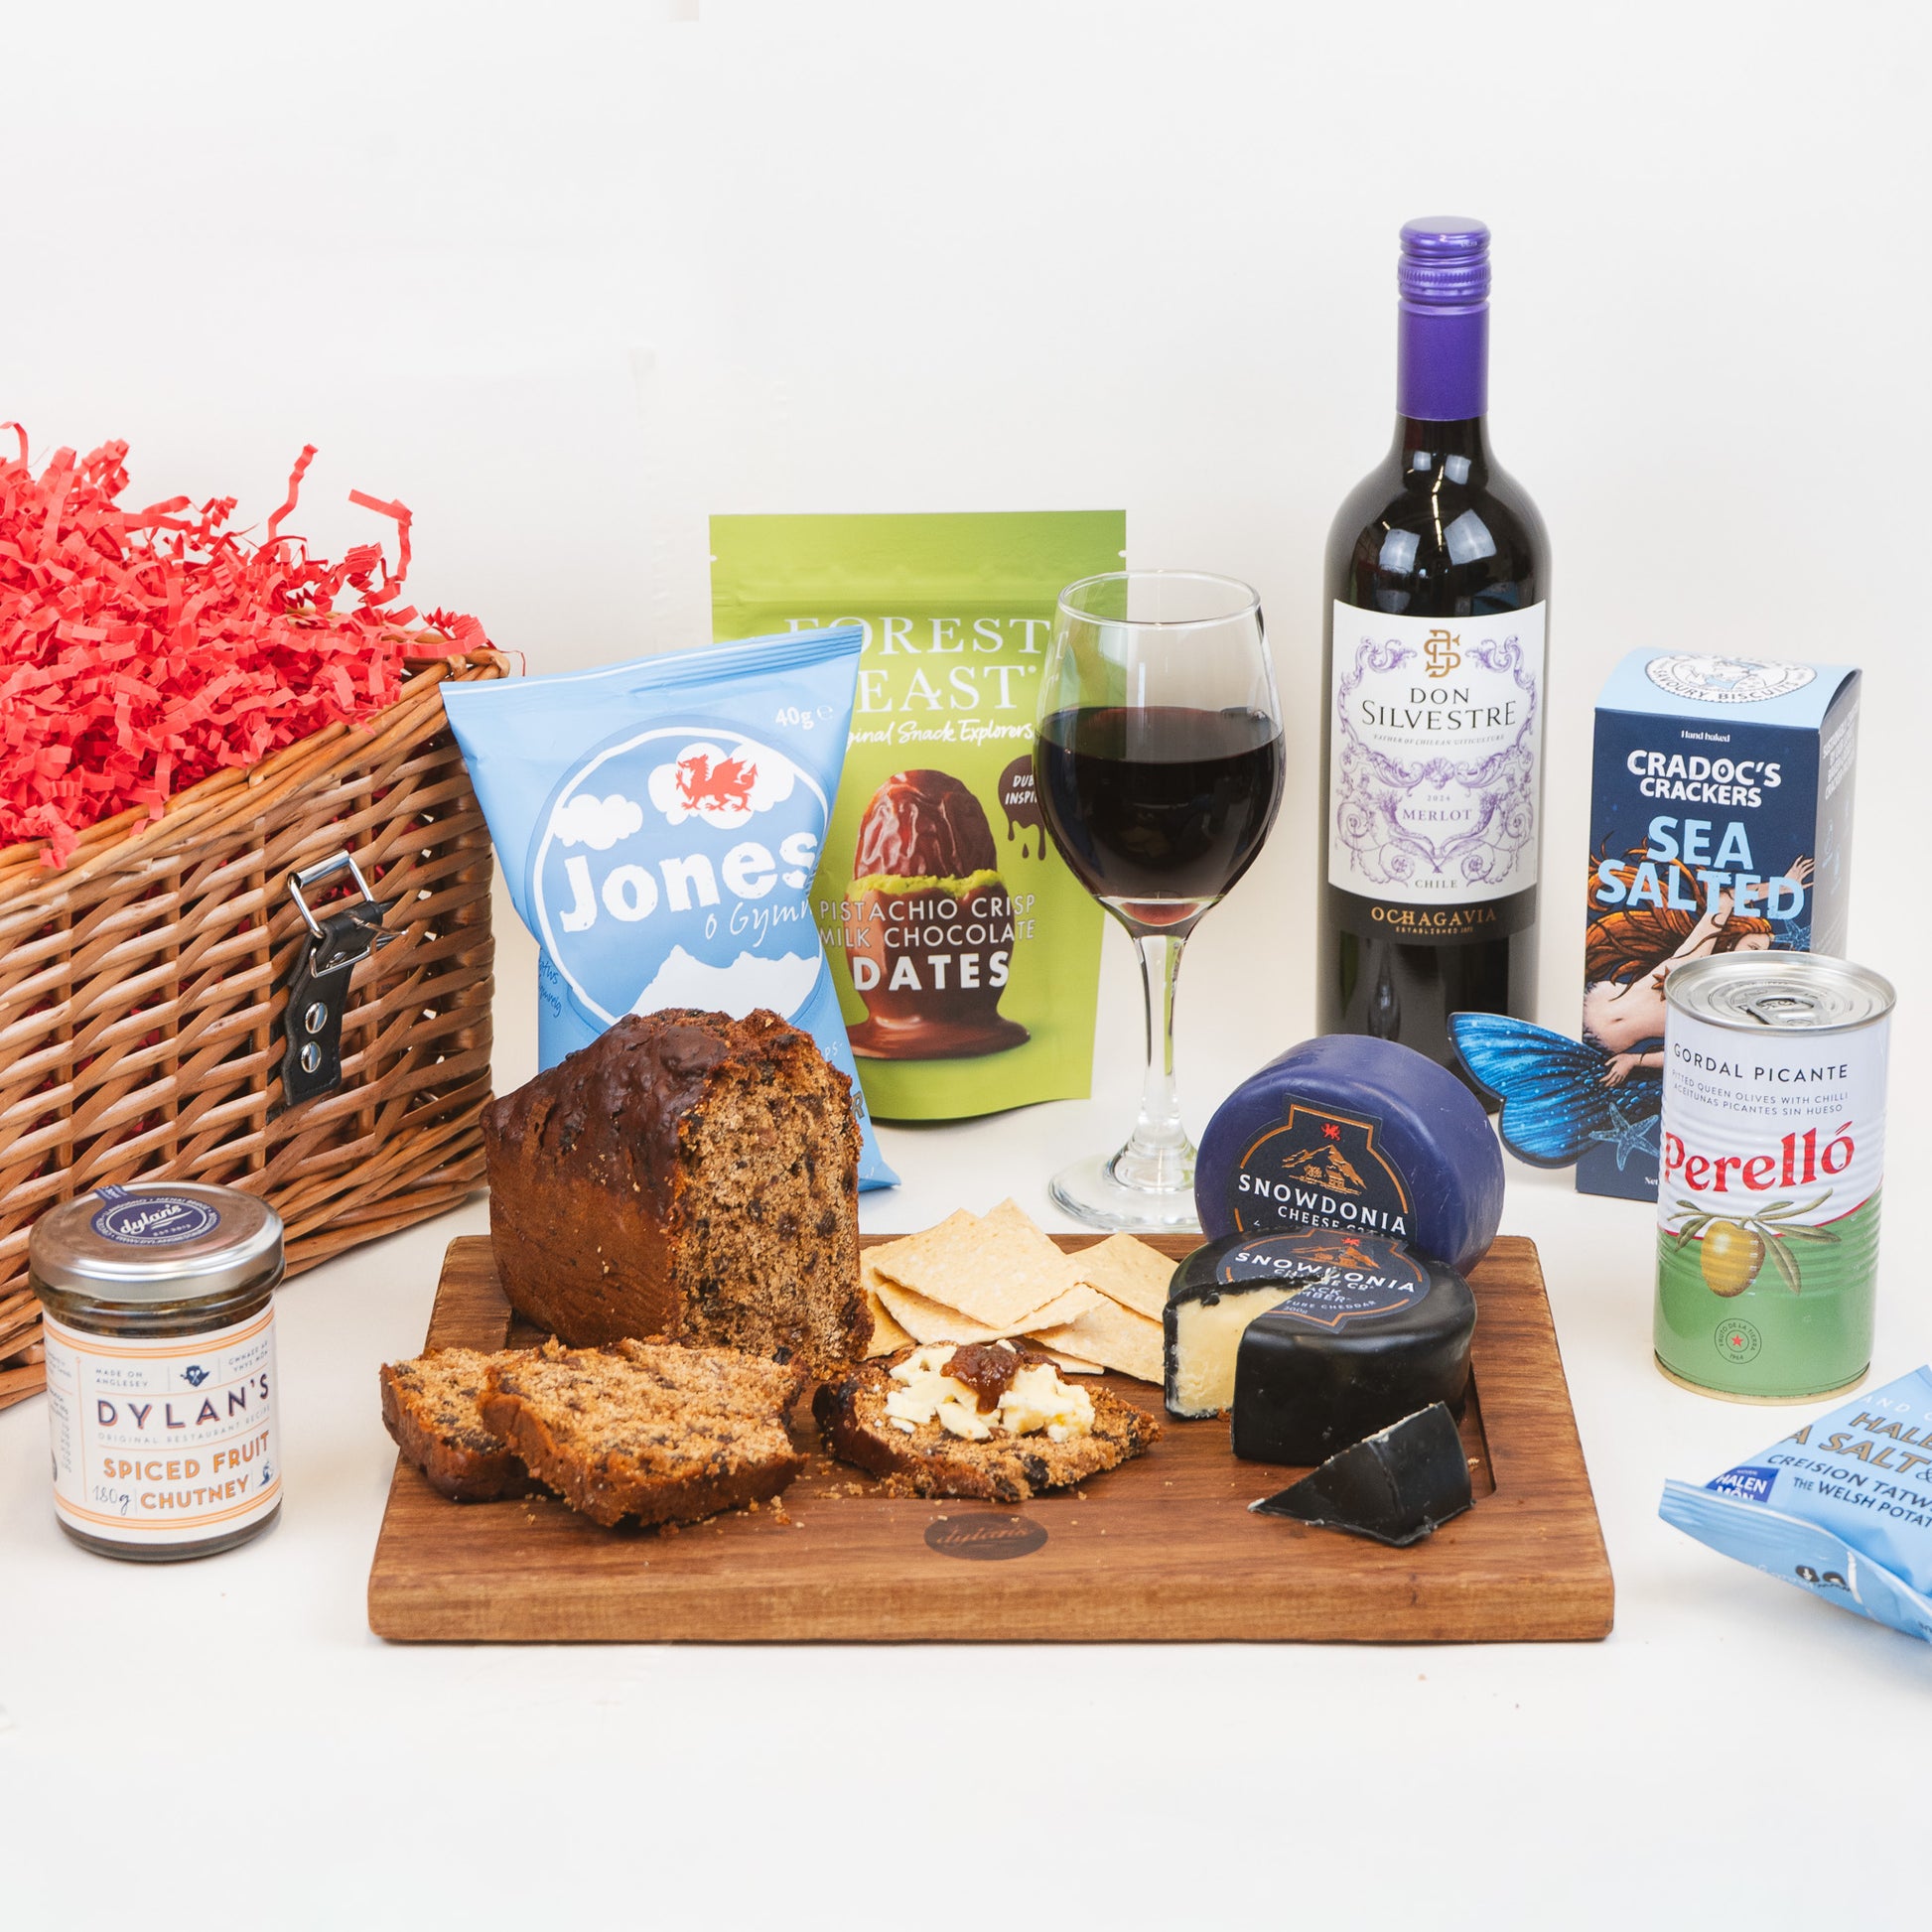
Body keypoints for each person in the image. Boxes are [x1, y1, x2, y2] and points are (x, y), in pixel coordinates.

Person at [1582, 855, 1810, 1086]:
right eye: (1751, 947)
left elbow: (1691, 1051)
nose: (1753, 957)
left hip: (1598, 1044)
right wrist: (1781, 886)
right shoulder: (1692, 958)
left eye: (1761, 953)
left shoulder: (1724, 1008)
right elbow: (1725, 899)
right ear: (1730, 944)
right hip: (1587, 1003)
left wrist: (1635, 1060)